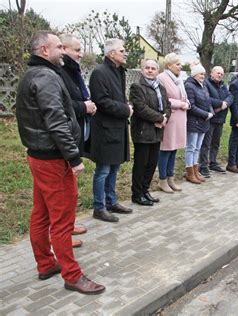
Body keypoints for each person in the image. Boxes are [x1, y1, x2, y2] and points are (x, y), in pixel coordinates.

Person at [16, 31, 104, 294]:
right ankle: (72, 275)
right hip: (53, 159)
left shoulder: (33, 74)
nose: (63, 52)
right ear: (44, 50)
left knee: (41, 214)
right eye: (58, 47)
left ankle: (46, 264)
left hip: (39, 156)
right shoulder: (45, 77)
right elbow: (56, 122)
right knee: (62, 220)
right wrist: (73, 158)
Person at [89, 38, 134, 222]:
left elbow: (117, 97)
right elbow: (101, 101)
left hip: (118, 127)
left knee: (114, 167)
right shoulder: (100, 72)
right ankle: (99, 207)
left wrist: (126, 105)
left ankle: (111, 201)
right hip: (105, 129)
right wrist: (126, 110)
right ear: (111, 53)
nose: (125, 53)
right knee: (103, 170)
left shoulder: (118, 71)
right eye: (122, 50)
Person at [59, 34, 96, 248]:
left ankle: (69, 224)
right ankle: (62, 232)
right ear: (63, 49)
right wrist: (84, 107)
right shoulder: (61, 72)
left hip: (76, 132)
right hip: (64, 139)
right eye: (76, 50)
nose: (80, 54)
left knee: (71, 189)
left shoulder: (73, 70)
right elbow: (64, 104)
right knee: (64, 191)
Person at [129, 59, 171, 205]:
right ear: (142, 70)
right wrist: (160, 118)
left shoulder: (161, 87)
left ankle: (145, 191)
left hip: (157, 132)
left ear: (157, 71)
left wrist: (165, 119)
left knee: (152, 163)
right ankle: (137, 194)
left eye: (153, 68)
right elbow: (141, 108)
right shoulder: (137, 87)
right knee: (141, 164)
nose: (150, 70)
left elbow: (168, 106)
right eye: (147, 68)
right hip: (143, 131)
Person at [157, 53, 189, 192]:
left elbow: (184, 96)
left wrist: (186, 102)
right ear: (169, 65)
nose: (180, 67)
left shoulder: (179, 79)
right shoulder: (162, 78)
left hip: (180, 119)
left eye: (180, 64)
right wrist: (180, 104)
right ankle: (162, 179)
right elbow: (163, 99)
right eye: (177, 64)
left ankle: (171, 178)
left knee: (174, 149)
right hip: (170, 119)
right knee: (166, 149)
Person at [198, 66, 233, 177]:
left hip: (220, 118)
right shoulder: (206, 84)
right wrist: (220, 103)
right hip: (210, 118)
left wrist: (225, 103)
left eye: (222, 74)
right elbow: (207, 98)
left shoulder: (223, 85)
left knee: (216, 143)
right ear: (212, 73)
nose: (220, 75)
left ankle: (213, 162)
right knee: (206, 143)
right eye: (218, 73)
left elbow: (231, 96)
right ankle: (203, 166)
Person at [184, 63, 214, 183]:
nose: (203, 76)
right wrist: (205, 114)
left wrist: (211, 112)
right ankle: (189, 172)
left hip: (204, 122)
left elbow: (209, 102)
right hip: (194, 122)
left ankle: (196, 171)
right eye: (201, 74)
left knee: (198, 148)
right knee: (191, 148)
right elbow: (191, 106)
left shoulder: (203, 86)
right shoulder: (189, 86)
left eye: (204, 74)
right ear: (195, 74)